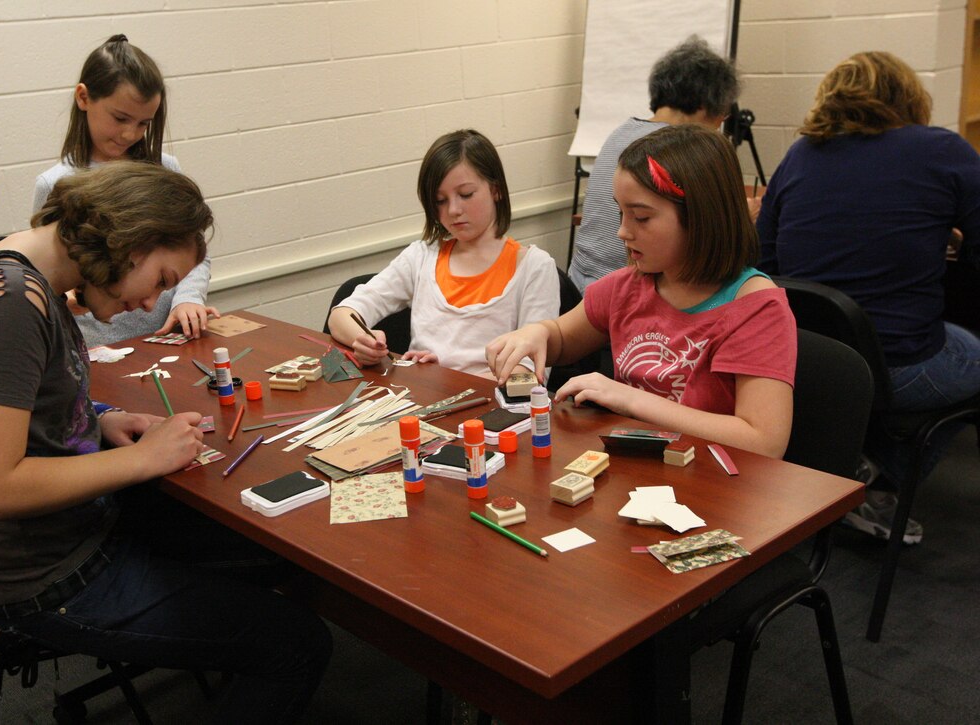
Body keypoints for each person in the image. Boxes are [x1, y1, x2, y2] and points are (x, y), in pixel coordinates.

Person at [0, 162, 331, 724]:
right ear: (132, 242)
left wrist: (100, 422)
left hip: (71, 534)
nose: (151, 303)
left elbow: (27, 413)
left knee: (272, 550)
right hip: (44, 576)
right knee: (296, 644)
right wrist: (143, 459)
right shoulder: (10, 305)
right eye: (163, 279)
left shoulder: (18, 268)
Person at [758, 51, 980, 544]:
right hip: (897, 367)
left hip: (809, 360)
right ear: (908, 97)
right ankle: (887, 475)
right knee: (967, 351)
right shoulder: (942, 150)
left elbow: (764, 260)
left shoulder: (799, 155)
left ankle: (852, 460)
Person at [488, 125, 796, 459]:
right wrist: (538, 332)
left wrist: (631, 399)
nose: (622, 231)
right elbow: (562, 338)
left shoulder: (754, 308)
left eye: (641, 217)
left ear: (701, 218)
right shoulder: (627, 286)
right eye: (622, 214)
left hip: (714, 485)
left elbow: (764, 441)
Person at [33, 34, 218, 348]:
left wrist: (187, 298)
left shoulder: (164, 170)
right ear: (83, 98)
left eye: (144, 123)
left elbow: (192, 254)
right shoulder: (56, 184)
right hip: (97, 345)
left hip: (165, 336)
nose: (130, 134)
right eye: (120, 118)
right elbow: (51, 275)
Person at [328, 129, 560, 379]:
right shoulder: (420, 258)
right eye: (440, 200)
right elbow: (342, 314)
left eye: (466, 194)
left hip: (495, 411)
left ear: (496, 190)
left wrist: (444, 379)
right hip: (421, 404)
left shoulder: (534, 267)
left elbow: (528, 374)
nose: (453, 210)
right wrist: (363, 339)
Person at [568, 35, 745, 294]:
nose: (719, 125)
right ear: (704, 103)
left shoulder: (621, 131)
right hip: (622, 290)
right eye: (721, 117)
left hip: (579, 279)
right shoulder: (675, 151)